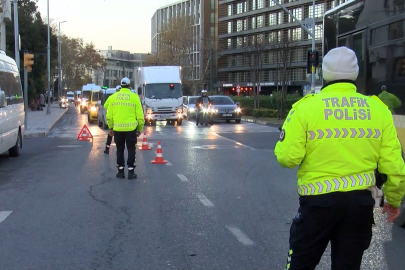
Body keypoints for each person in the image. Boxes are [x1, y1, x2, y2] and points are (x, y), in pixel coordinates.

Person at [274, 46, 405, 270]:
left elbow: (288, 158)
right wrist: (393, 200)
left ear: (325, 73)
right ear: (355, 74)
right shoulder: (378, 110)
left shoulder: (305, 108)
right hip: (360, 207)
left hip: (317, 207)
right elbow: (394, 165)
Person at [107, 78, 144, 179]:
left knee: (119, 149)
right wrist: (140, 128)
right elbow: (140, 116)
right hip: (131, 129)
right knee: (131, 149)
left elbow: (109, 116)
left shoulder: (113, 97)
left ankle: (120, 172)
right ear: (129, 85)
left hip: (118, 129)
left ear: (121, 85)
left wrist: (111, 128)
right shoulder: (134, 97)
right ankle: (131, 172)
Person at [104, 85, 121, 154]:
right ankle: (118, 150)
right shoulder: (124, 99)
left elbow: (105, 106)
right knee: (119, 136)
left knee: (110, 135)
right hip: (120, 119)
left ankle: (107, 149)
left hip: (112, 119)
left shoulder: (111, 97)